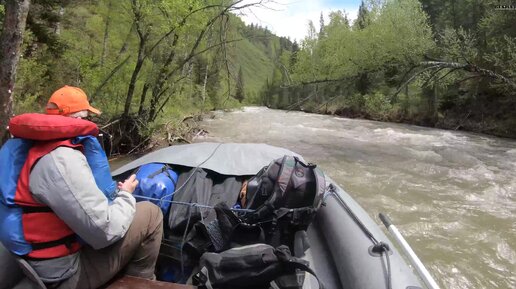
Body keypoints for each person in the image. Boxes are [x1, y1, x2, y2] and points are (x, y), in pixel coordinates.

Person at [0, 85, 163, 289]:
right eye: (87, 117)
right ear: (77, 120)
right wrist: (126, 195)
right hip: (60, 275)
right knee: (151, 214)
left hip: (28, 259)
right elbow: (105, 231)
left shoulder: (17, 147)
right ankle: (141, 284)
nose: (89, 123)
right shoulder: (61, 159)